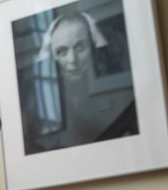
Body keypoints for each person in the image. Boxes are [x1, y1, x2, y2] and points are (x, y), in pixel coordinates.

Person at [26, 11, 136, 152]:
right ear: (53, 56)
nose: (72, 60)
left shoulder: (118, 81)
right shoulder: (46, 96)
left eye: (80, 47)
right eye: (62, 51)